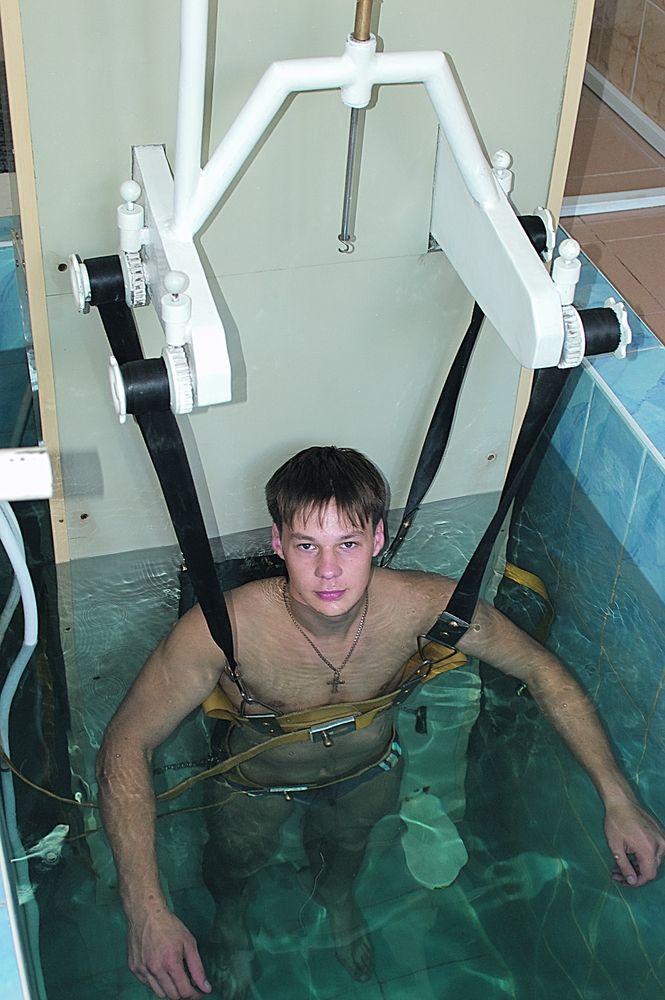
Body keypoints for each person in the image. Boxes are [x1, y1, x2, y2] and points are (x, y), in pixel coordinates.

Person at [97, 446, 665, 1000]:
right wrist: (145, 910)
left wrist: (617, 797)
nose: (328, 570)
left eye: (347, 543)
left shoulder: (426, 607)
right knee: (235, 863)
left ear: (377, 539)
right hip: (257, 784)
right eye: (306, 545)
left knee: (349, 845)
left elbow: (542, 670)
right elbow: (126, 743)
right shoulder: (223, 630)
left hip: (370, 769)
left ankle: (339, 900)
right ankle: (231, 918)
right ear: (277, 543)